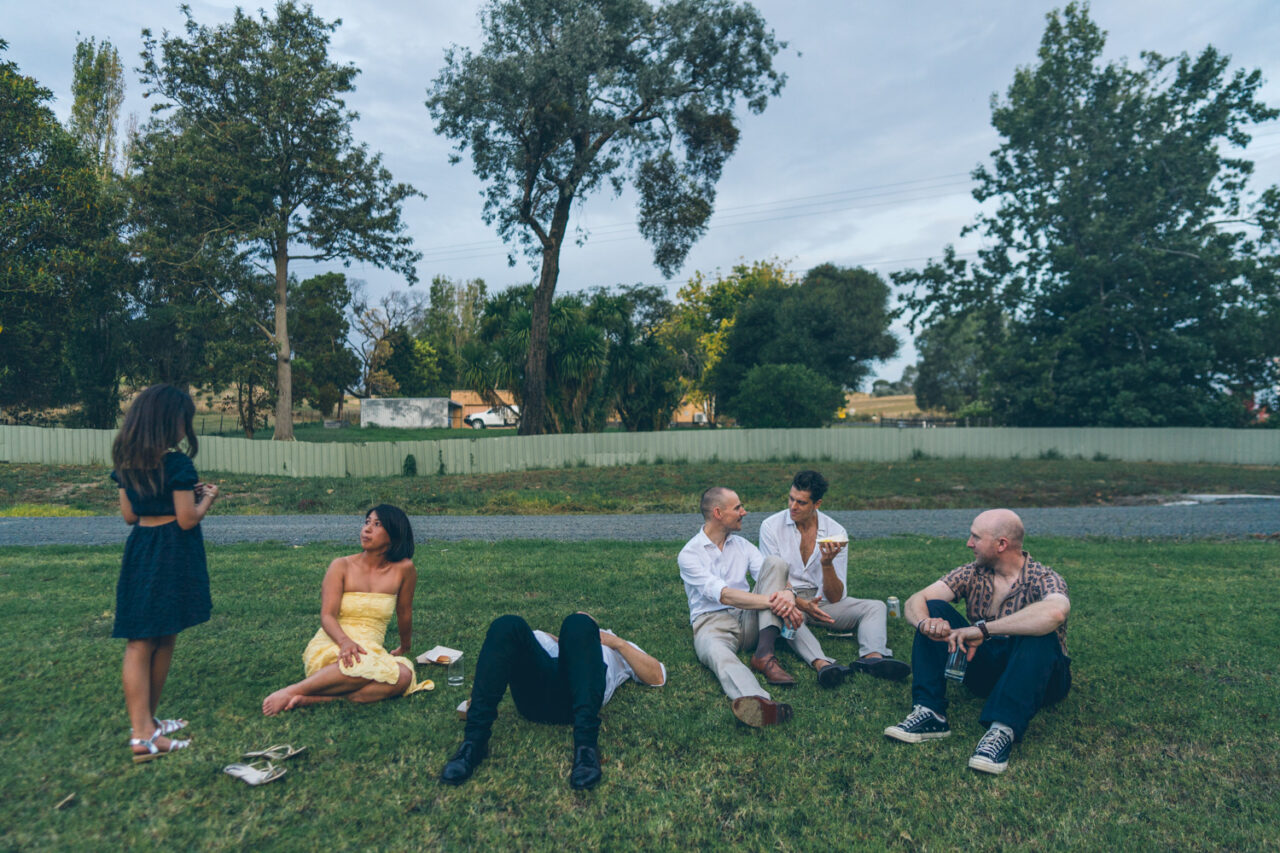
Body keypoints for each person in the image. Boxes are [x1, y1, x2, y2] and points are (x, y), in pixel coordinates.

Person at [883, 509, 1071, 775]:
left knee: (1040, 633)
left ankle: (1002, 731)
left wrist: (983, 630)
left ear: (1001, 544)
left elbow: (1055, 613)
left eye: (976, 537)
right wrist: (926, 624)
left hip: (1042, 679)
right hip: (987, 672)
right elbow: (917, 599)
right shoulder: (973, 573)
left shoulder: (1044, 578)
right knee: (934, 608)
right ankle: (930, 713)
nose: (968, 543)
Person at [111, 384, 221, 762]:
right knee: (147, 641)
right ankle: (142, 735)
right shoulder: (176, 464)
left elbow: (129, 516)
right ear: (167, 421)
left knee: (153, 636)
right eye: (183, 420)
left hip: (142, 548)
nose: (184, 427)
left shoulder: (125, 461)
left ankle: (148, 722)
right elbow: (188, 520)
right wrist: (207, 497)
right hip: (172, 551)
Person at [439, 613, 665, 790]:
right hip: (535, 698)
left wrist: (615, 643)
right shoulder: (543, 638)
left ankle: (586, 748)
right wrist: (559, 640)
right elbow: (498, 666)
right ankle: (474, 743)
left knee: (578, 623)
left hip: (577, 701)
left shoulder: (616, 648)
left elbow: (658, 676)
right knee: (507, 625)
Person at [678, 486, 836, 728]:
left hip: (749, 618)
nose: (745, 511)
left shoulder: (742, 545)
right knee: (720, 656)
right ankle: (758, 700)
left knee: (775, 564)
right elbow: (725, 596)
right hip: (712, 624)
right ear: (718, 513)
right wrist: (781, 601)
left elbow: (776, 574)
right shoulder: (689, 554)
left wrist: (790, 596)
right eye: (738, 507)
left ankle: (810, 661)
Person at [262, 505, 431, 715]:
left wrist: (405, 646)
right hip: (334, 642)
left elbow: (404, 612)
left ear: (394, 534)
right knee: (357, 663)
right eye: (367, 522)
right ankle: (291, 691)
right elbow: (327, 615)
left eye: (377, 524)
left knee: (404, 676)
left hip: (371, 647)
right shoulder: (340, 566)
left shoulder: (404, 569)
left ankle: (314, 699)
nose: (367, 529)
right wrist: (344, 642)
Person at [759, 470, 909, 682]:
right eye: (791, 499)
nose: (793, 506)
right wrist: (799, 603)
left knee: (876, 607)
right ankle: (822, 664)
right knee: (786, 611)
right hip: (789, 596)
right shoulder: (770, 527)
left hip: (822, 602)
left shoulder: (836, 531)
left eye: (801, 502)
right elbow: (774, 578)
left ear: (817, 504)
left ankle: (873, 659)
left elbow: (836, 596)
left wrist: (827, 563)